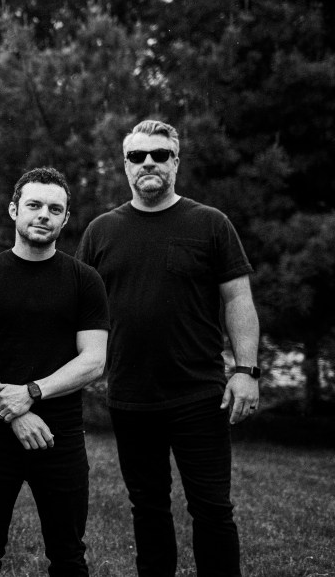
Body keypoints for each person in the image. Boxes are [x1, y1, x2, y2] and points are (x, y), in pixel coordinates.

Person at [76, 120, 260, 577]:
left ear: (176, 161)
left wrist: (246, 371)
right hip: (129, 395)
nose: (148, 163)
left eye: (159, 155)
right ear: (125, 166)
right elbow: (77, 312)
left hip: (199, 394)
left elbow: (238, 300)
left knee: (212, 508)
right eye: (137, 156)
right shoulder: (101, 231)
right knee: (148, 508)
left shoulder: (210, 223)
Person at [0, 167, 109, 577]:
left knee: (69, 555)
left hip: (61, 436)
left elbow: (93, 360)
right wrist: (16, 413)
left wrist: (32, 392)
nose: (43, 215)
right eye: (34, 205)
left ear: (66, 218)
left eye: (55, 209)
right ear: (14, 210)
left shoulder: (85, 281)